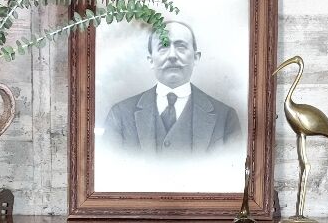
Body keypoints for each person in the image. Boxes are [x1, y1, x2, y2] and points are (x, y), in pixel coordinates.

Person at [103, 20, 242, 154]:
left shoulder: (226, 119)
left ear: (196, 58)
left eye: (181, 46)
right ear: (151, 61)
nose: (172, 55)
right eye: (163, 46)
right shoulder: (119, 116)